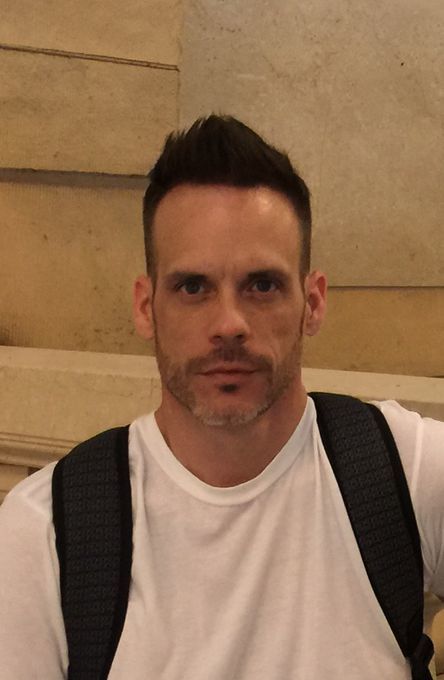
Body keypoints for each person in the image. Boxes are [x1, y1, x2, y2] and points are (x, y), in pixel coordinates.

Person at [0, 114, 443, 679]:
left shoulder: (401, 469)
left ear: (312, 303)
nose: (229, 323)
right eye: (193, 287)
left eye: (262, 285)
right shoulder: (46, 533)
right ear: (145, 307)